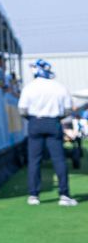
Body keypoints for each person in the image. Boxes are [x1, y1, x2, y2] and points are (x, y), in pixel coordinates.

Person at [20, 60, 77, 206]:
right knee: (59, 159)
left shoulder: (29, 87)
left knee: (34, 160)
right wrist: (57, 118)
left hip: (35, 123)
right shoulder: (59, 87)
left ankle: (33, 195)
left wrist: (34, 119)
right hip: (53, 123)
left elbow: (22, 109)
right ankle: (64, 195)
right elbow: (68, 109)